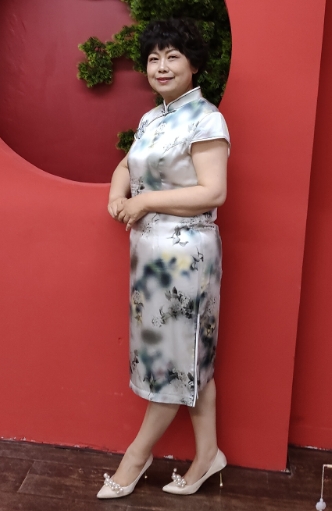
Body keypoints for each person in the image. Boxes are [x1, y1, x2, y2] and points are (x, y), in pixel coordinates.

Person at [97, 18, 230, 499]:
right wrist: (117, 195)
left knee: (176, 360)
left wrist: (146, 201)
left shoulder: (206, 119)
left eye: (173, 56)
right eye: (154, 58)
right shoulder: (152, 119)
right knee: (192, 358)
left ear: (194, 65)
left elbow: (213, 191)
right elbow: (126, 165)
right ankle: (208, 454)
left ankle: (136, 458)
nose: (161, 66)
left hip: (186, 258)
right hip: (150, 259)